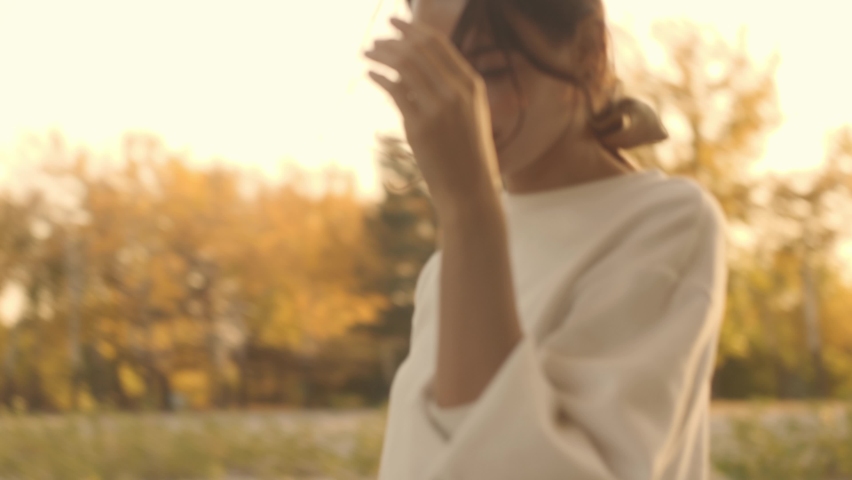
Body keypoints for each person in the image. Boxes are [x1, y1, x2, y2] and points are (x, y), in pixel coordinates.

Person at [362, 0, 727, 478]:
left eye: (488, 69)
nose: (456, 105)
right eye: (436, 74)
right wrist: (467, 218)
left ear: (586, 50)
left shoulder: (665, 223)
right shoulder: (448, 263)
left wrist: (469, 210)